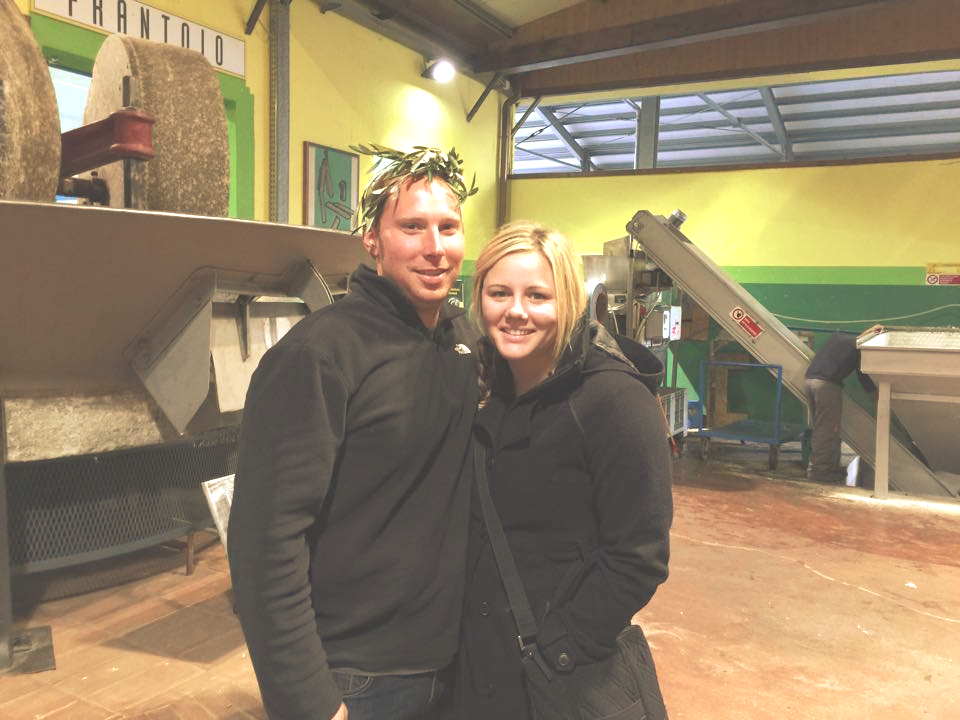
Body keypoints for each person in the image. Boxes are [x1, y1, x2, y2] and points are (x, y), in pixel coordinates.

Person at [227, 144, 480, 720]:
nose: (435, 247)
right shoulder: (319, 355)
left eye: (448, 227)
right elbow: (265, 540)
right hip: (359, 677)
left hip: (453, 658)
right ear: (372, 240)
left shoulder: (458, 339)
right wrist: (309, 701)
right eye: (411, 227)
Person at [453, 221, 673, 718]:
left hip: (559, 675)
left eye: (537, 295)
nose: (516, 310)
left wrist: (564, 647)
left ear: (569, 301)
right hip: (478, 666)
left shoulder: (615, 401)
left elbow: (639, 556)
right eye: (499, 293)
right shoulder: (487, 388)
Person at [804, 331, 877, 485]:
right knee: (827, 431)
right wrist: (877, 397)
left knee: (822, 429)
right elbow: (864, 376)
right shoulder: (859, 348)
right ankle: (820, 473)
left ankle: (827, 468)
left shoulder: (839, 338)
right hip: (826, 386)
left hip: (810, 382)